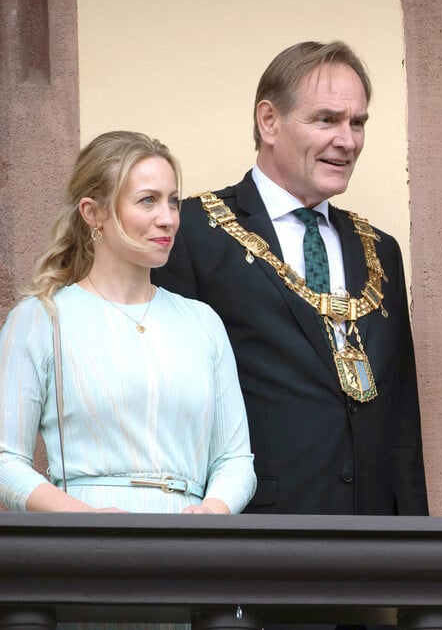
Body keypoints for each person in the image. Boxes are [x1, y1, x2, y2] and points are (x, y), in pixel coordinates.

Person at [152, 41, 427, 516]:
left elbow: (401, 417)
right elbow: (170, 400)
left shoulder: (381, 249)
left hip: (377, 544)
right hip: (256, 534)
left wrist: (417, 547)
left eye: (357, 122)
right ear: (269, 122)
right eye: (326, 120)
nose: (347, 140)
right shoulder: (195, 231)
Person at [0, 130, 256, 515]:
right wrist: (82, 519)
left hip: (191, 551)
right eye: (148, 201)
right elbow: (4, 460)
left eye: (173, 202)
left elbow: (235, 460)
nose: (167, 218)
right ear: (92, 212)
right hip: (87, 551)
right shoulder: (41, 319)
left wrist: (212, 512)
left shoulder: (203, 323)